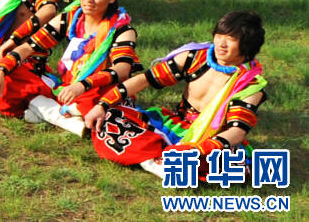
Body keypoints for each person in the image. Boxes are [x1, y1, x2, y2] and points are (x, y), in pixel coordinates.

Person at [82, 11, 267, 178]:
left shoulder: (250, 85)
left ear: (247, 46)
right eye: (219, 36)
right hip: (174, 125)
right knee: (110, 116)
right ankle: (158, 162)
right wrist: (102, 105)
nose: (221, 44)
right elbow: (145, 79)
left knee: (227, 163)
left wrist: (196, 151)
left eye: (231, 39)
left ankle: (155, 156)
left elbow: (236, 132)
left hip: (210, 140)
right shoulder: (195, 57)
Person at [0, 0, 137, 135]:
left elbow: (123, 69)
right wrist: (1, 70)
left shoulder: (122, 29)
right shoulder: (71, 18)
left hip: (96, 89)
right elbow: (29, 46)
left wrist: (82, 85)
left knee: (96, 102)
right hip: (67, 87)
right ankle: (60, 115)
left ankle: (44, 110)